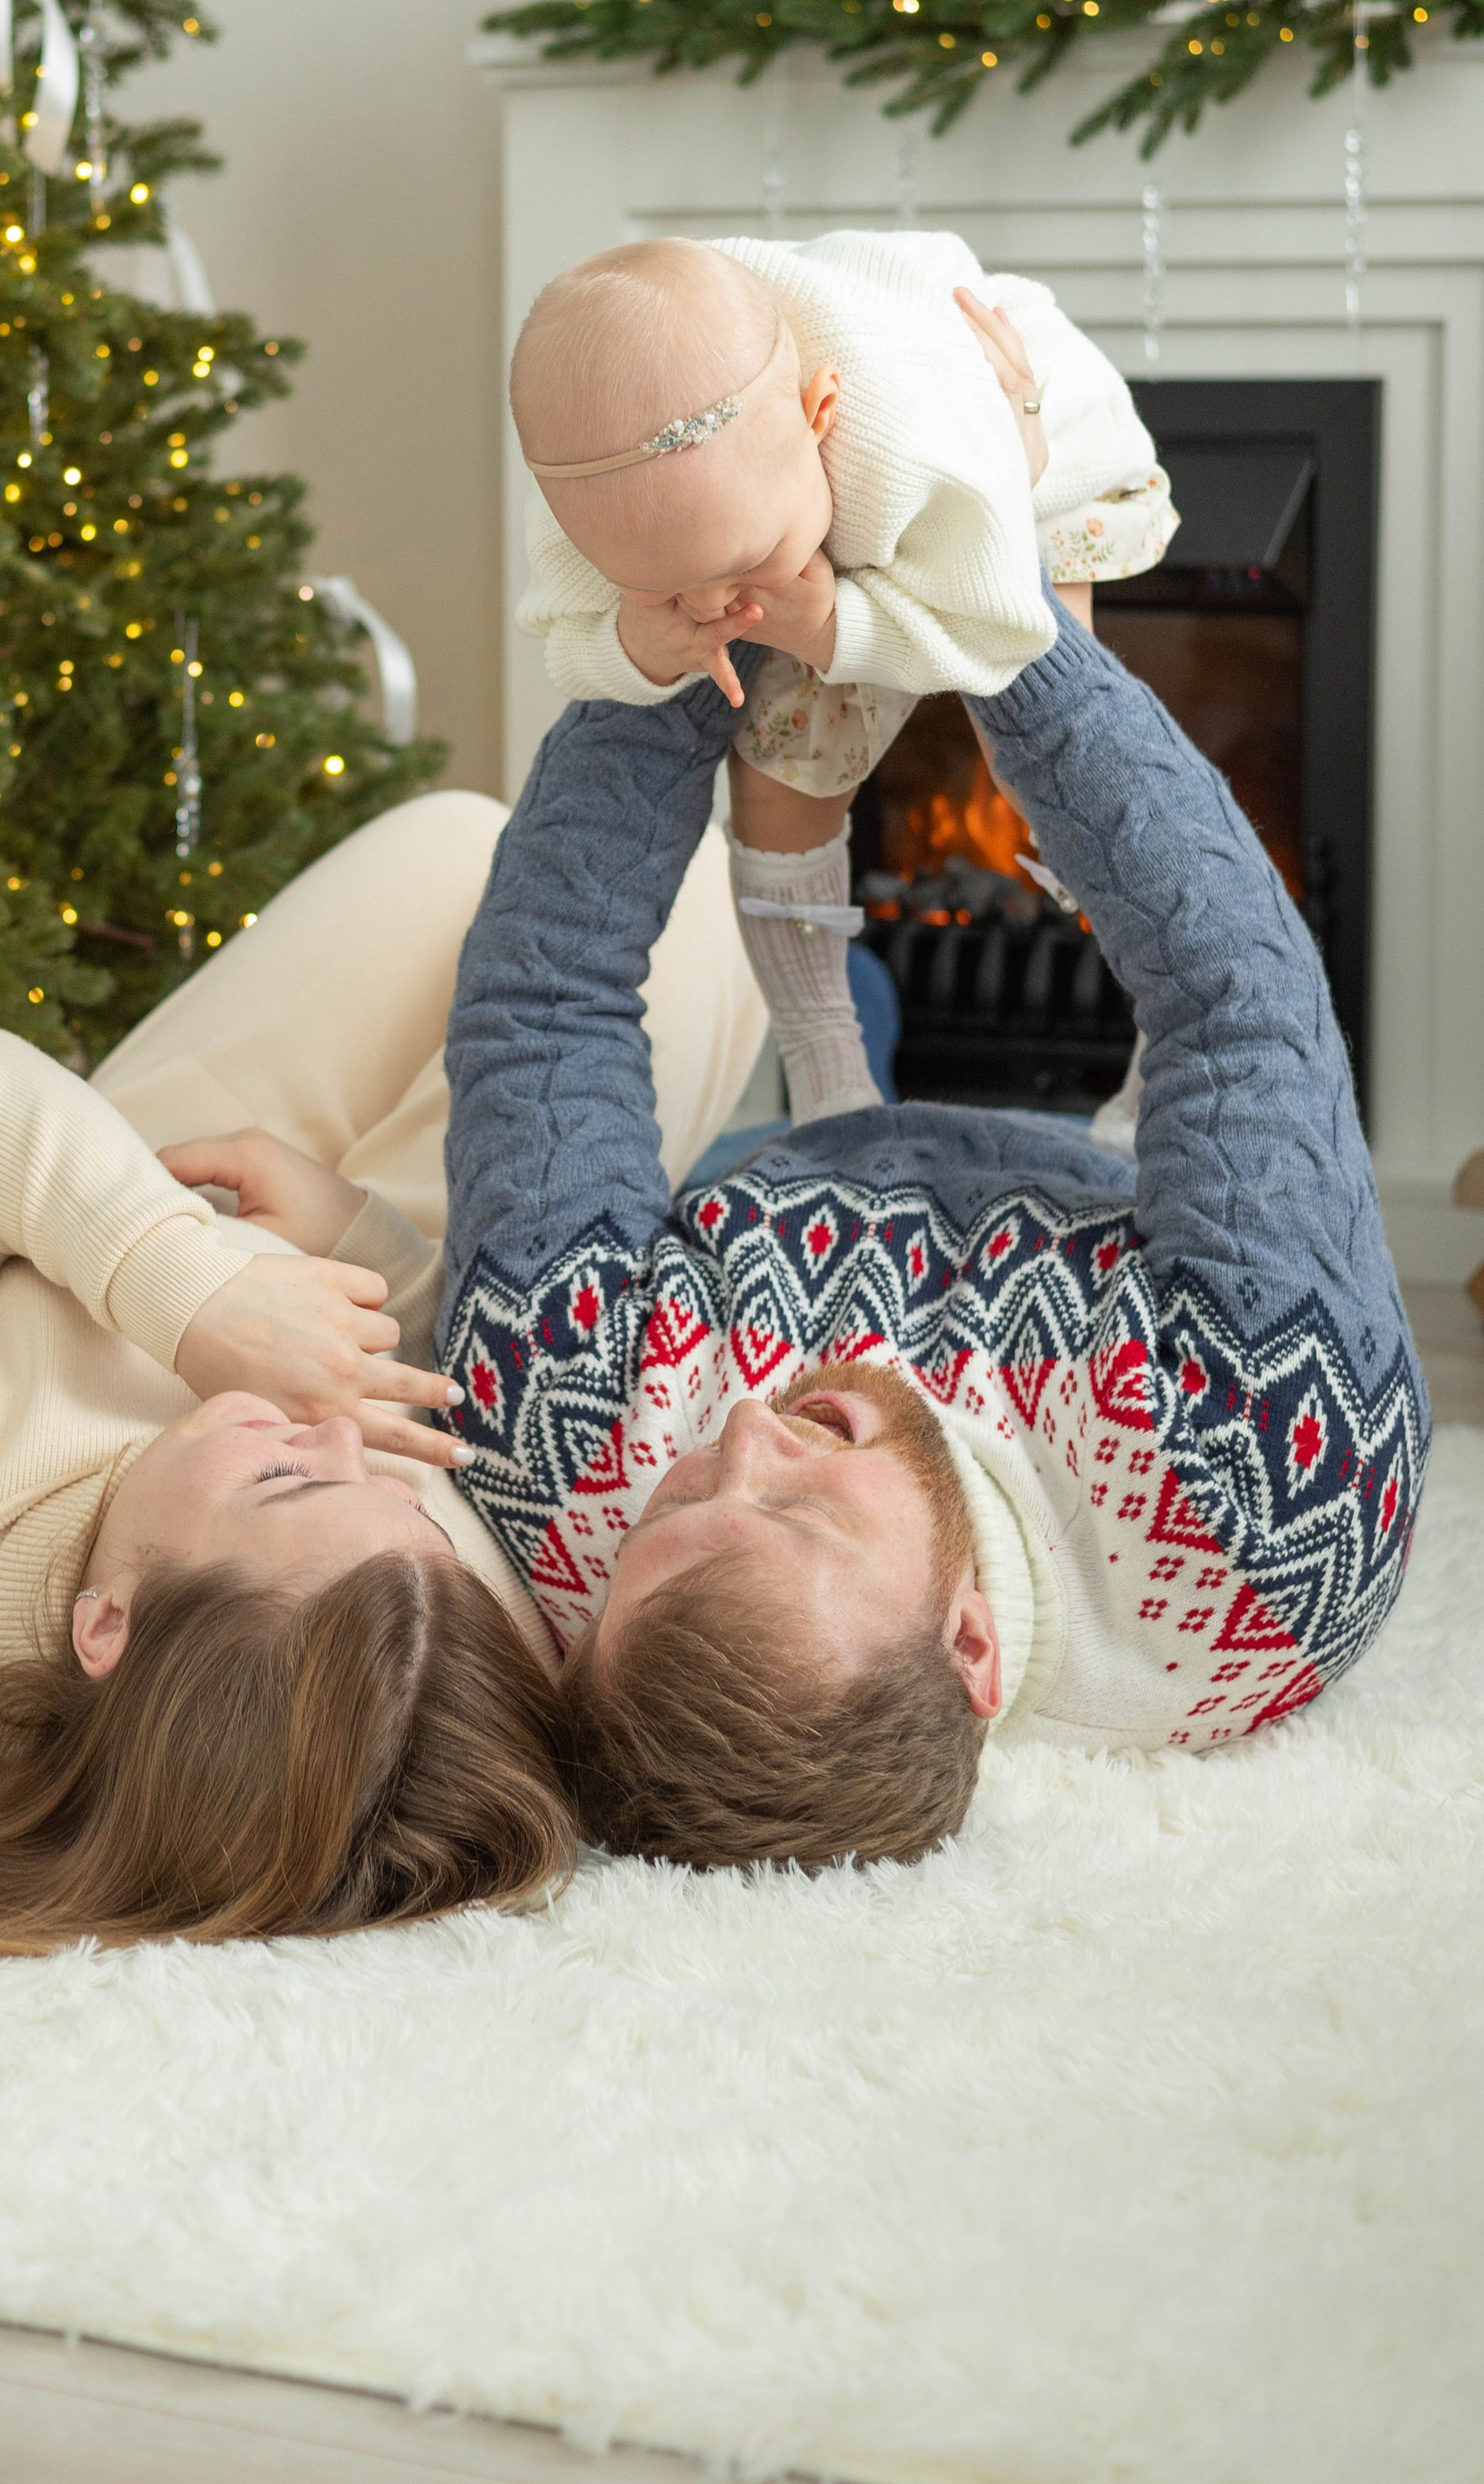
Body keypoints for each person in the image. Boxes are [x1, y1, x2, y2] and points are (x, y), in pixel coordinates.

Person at [437, 305, 1428, 1874]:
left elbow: (540, 1008)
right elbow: (1237, 995)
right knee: (1180, 1053)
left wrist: (689, 618)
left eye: (690, 1492)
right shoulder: (1267, 1502)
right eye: (809, 1511)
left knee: (821, 986)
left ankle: (839, 1031)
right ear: (972, 1647)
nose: (752, 1434)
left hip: (781, 1178)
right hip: (1104, 1214)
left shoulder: (570, 1480)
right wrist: (999, 613)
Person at [0, 798, 766, 1948]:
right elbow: (438, 1381)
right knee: (693, 904)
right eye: (402, 1504)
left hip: (116, 1196)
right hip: (341, 1260)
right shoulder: (416, 1648)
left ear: (108, 1628)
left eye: (286, 1481)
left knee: (504, 849)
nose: (339, 1439)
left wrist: (195, 1295)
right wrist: (363, 1241)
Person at [511, 228, 1174, 815]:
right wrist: (637, 647)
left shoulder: (911, 446)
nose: (713, 603)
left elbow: (998, 632)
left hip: (1027, 454)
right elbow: (564, 641)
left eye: (744, 559)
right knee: (778, 786)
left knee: (1039, 749)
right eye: (661, 580)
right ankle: (806, 959)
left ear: (818, 413)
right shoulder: (595, 476)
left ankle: (1092, 921)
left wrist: (830, 629)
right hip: (846, 493)